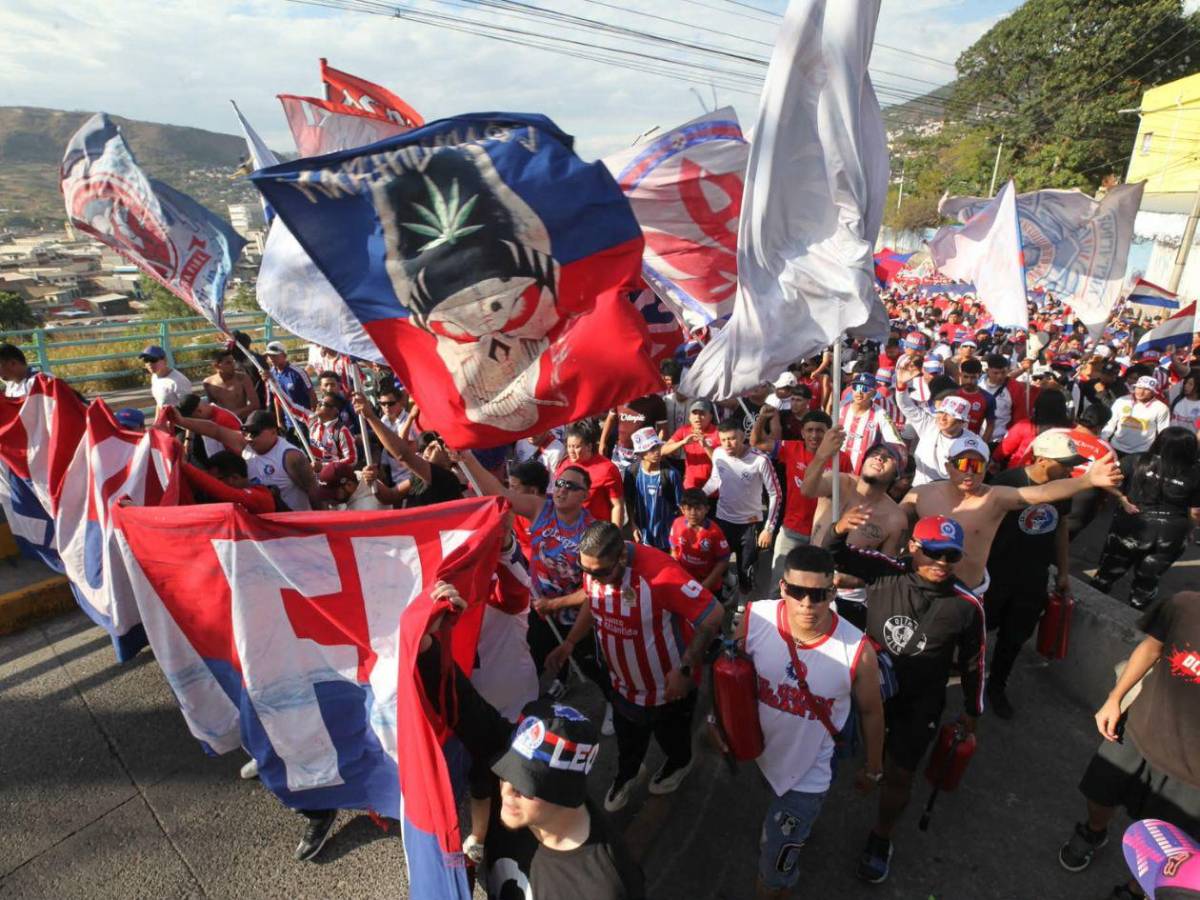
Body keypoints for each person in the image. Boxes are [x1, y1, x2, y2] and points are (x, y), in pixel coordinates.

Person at [417, 582, 645, 900]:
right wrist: (428, 639)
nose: (506, 789)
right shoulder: (524, 801)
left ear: (562, 791)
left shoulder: (604, 886)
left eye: (524, 784)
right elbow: (465, 705)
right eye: (510, 772)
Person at [827, 511, 986, 884]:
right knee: (848, 749)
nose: (942, 562)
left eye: (951, 555)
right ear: (913, 546)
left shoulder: (967, 606)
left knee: (900, 773)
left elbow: (974, 662)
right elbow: (834, 555)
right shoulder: (886, 570)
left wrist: (972, 709)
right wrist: (839, 529)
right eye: (933, 552)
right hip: (871, 688)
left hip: (920, 702)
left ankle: (881, 838)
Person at [738, 544, 885, 899]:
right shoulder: (756, 618)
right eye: (798, 592)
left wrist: (873, 768)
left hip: (808, 775)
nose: (807, 603)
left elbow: (871, 711)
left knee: (773, 877)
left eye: (818, 594)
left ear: (833, 592)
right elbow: (736, 678)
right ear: (783, 588)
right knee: (774, 813)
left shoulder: (856, 649)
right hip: (763, 755)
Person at [547, 522, 724, 814]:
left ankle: (678, 764)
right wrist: (569, 643)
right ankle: (626, 775)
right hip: (622, 684)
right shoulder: (596, 568)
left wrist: (684, 669)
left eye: (601, 572)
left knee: (673, 739)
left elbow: (713, 614)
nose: (593, 578)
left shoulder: (660, 574)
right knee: (628, 740)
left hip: (667, 690)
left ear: (623, 558)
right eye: (586, 570)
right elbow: (593, 601)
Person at [1057, 591, 1200, 900]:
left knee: (1168, 848)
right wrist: (1115, 698)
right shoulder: (1184, 605)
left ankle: (1136, 889)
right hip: (1138, 733)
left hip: (1192, 777)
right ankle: (1094, 832)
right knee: (1098, 793)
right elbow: (1151, 649)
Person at [902, 431, 1122, 594]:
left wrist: (1087, 480)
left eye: (977, 466)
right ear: (948, 465)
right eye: (962, 463)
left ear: (987, 468)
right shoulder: (919, 495)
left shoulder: (995, 498)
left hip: (965, 593)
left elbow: (1042, 493)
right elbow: (893, 524)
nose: (969, 471)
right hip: (918, 585)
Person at [983, 429, 1085, 718]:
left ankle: (997, 686)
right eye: (1064, 463)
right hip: (996, 573)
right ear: (1041, 460)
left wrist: (1064, 571)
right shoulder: (1007, 482)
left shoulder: (1063, 488)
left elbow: (1061, 526)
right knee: (978, 630)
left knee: (1014, 637)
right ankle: (968, 679)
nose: (1069, 469)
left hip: (1033, 577)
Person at [801, 428, 908, 631]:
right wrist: (822, 454)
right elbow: (807, 489)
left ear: (897, 475)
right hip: (809, 576)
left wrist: (850, 581)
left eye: (888, 458)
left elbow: (884, 574)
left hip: (849, 598)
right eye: (875, 454)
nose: (879, 459)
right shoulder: (839, 481)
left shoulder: (895, 519)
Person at [1090, 428, 1200, 610]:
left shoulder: (1137, 460)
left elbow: (1101, 478)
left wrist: (1120, 497)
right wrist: (1188, 530)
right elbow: (1195, 512)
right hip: (1169, 534)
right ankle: (1133, 619)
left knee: (1108, 571)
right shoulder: (1195, 473)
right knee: (1147, 581)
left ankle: (1089, 605)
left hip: (1131, 525)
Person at [753, 409, 851, 584]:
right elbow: (757, 442)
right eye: (810, 430)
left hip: (823, 534)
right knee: (779, 583)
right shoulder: (790, 448)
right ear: (802, 432)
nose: (814, 435)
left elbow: (849, 494)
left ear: (828, 433)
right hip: (792, 530)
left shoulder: (840, 459)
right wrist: (762, 418)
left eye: (820, 430)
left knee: (815, 585)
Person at [170, 408, 322, 511]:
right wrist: (181, 421)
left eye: (254, 433)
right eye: (245, 432)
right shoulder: (245, 443)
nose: (249, 438)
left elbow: (313, 492)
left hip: (293, 523)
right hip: (265, 525)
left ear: (273, 432)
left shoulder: (291, 457)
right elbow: (215, 430)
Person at [701, 415, 781, 601]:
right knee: (717, 563)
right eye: (723, 440)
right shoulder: (719, 453)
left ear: (742, 436)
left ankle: (741, 608)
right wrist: (696, 497)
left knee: (747, 570)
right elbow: (715, 480)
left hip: (749, 525)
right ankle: (729, 583)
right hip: (722, 520)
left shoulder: (760, 460)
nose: (727, 444)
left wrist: (768, 529)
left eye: (731, 438)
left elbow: (775, 494)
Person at [894, 357, 978, 485]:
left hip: (950, 495)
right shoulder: (928, 424)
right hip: (920, 489)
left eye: (950, 413)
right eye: (941, 411)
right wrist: (901, 385)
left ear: (962, 420)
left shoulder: (972, 442)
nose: (942, 417)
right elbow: (906, 405)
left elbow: (972, 475)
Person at [622, 427, 682, 552]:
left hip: (667, 539)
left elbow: (680, 506)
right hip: (642, 537)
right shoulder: (631, 472)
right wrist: (633, 525)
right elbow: (629, 500)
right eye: (651, 449)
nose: (657, 452)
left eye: (658, 447)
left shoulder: (671, 474)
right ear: (640, 453)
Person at [555, 422, 624, 526]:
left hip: (595, 532)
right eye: (569, 446)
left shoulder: (607, 469)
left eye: (576, 447)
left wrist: (615, 535)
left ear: (589, 446)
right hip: (566, 530)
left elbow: (617, 505)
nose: (571, 451)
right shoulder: (564, 464)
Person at [668, 487, 732, 598]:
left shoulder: (715, 532)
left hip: (710, 587)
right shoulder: (677, 524)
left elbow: (723, 561)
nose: (693, 513)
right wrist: (676, 575)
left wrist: (706, 585)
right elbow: (674, 550)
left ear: (707, 509)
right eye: (688, 508)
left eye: (697, 509)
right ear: (682, 509)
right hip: (686, 583)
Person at [837, 373, 903, 475]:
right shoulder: (840, 408)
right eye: (856, 387)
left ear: (874, 393)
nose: (859, 392)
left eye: (865, 389)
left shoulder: (881, 414)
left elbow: (896, 443)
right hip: (836, 468)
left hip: (861, 474)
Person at [180, 449, 278, 514]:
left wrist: (185, 466)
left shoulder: (261, 497)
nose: (210, 485)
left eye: (216, 480)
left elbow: (228, 493)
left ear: (234, 478)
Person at [1102, 376, 1172, 458]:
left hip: (1142, 452)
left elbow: (1163, 433)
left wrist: (1159, 453)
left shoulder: (1161, 408)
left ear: (1153, 392)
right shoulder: (1121, 401)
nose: (1141, 392)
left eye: (1146, 389)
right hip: (1116, 448)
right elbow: (1110, 423)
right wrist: (1104, 442)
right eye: (1139, 387)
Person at [602, 392, 667, 471]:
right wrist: (602, 442)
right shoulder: (619, 397)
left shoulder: (656, 401)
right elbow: (610, 419)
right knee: (619, 480)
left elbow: (662, 430)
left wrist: (658, 449)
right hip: (620, 454)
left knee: (639, 482)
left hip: (644, 455)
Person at [662, 400, 720, 490]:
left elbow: (722, 461)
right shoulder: (684, 430)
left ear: (710, 417)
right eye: (694, 413)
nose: (698, 417)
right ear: (689, 417)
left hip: (713, 486)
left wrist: (705, 446)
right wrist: (683, 442)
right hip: (691, 485)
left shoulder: (718, 432)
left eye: (702, 413)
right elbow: (663, 450)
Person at [177, 393, 243, 464]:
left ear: (199, 411)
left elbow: (238, 451)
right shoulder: (209, 415)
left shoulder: (223, 420)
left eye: (193, 419)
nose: (194, 422)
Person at [203, 348, 260, 420]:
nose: (233, 365)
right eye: (228, 363)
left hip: (242, 419)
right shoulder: (208, 383)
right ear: (217, 366)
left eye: (233, 361)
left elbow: (255, 405)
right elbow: (211, 406)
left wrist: (232, 415)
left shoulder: (242, 378)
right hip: (222, 421)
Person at [951, 358, 996, 442]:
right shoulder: (953, 394)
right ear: (960, 375)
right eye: (966, 377)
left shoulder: (988, 398)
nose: (969, 381)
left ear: (979, 376)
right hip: (951, 440)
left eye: (973, 377)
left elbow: (990, 425)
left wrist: (982, 444)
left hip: (971, 443)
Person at [265, 341, 316, 413]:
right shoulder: (271, 374)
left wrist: (313, 414)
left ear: (284, 355)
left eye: (274, 355)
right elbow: (277, 399)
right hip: (287, 419)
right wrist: (280, 422)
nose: (271, 358)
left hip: (303, 416)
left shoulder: (298, 372)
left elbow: (311, 394)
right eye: (269, 356)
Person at [308, 393, 357, 468]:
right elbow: (291, 407)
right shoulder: (312, 422)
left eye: (322, 404)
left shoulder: (342, 431)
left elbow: (352, 459)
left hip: (334, 477)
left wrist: (324, 466)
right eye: (319, 402)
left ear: (335, 411)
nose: (318, 405)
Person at [140, 344, 192, 411]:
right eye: (146, 360)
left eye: (153, 360)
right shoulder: (155, 377)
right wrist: (157, 421)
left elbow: (190, 409)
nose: (149, 363)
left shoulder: (178, 381)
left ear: (164, 360)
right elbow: (159, 405)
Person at [316, 462, 385, 511]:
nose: (330, 502)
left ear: (349, 485)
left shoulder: (366, 509)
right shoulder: (356, 478)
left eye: (334, 494)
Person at [1168, 368, 1200, 433]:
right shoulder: (1178, 402)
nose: (1186, 386)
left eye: (1190, 384)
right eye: (1186, 383)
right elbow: (1173, 424)